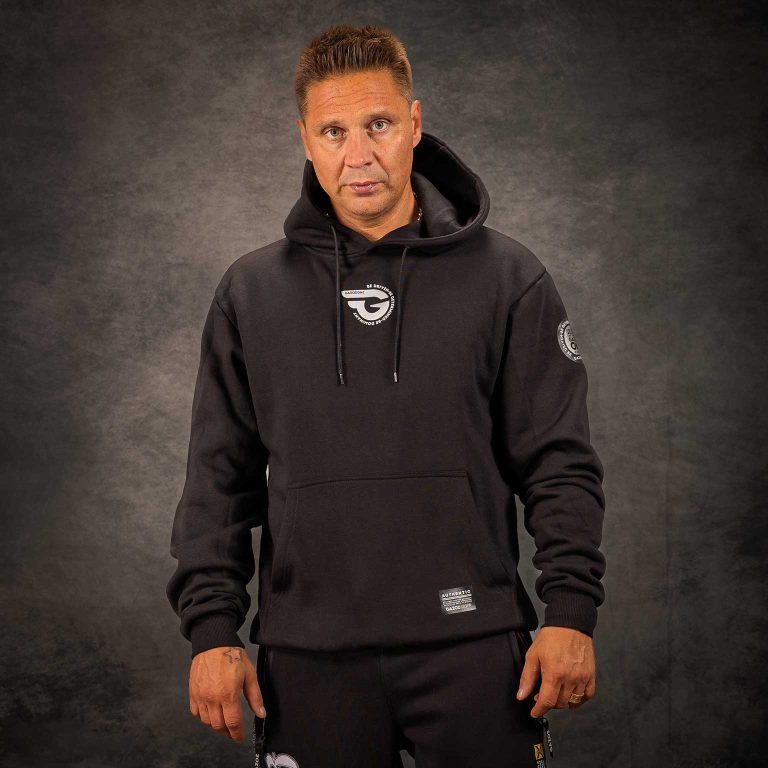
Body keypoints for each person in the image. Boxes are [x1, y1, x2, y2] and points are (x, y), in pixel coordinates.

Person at [166, 23, 607, 768]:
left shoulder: (508, 278)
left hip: (473, 643)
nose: (358, 154)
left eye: (377, 125)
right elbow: (218, 478)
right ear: (306, 140)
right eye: (333, 131)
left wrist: (570, 610)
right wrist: (212, 631)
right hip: (309, 656)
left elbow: (558, 462)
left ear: (414, 124)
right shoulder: (251, 292)